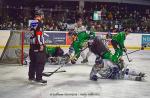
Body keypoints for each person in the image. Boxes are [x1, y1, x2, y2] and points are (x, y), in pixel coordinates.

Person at [28, 12, 47, 84]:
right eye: (42, 15)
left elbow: (32, 34)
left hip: (32, 45)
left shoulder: (32, 23)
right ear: (40, 16)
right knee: (40, 62)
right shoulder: (40, 23)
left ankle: (31, 76)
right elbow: (39, 35)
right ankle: (39, 78)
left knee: (33, 61)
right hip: (38, 46)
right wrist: (41, 44)